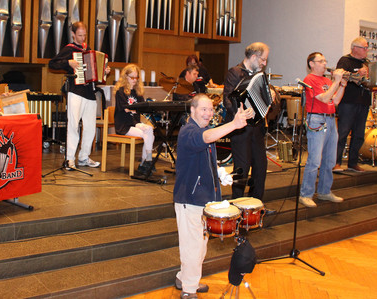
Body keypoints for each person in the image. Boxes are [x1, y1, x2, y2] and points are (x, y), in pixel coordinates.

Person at [173, 93, 253, 299]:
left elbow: (207, 153)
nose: (208, 113)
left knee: (200, 245)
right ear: (192, 110)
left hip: (205, 198)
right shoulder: (189, 131)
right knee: (193, 246)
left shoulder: (204, 129)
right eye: (203, 109)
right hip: (189, 199)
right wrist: (234, 124)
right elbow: (206, 139)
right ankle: (188, 290)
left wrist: (219, 172)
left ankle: (184, 277)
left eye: (211, 110)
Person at [48, 21, 110, 169]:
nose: (82, 38)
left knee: (90, 127)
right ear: (73, 34)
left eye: (84, 35)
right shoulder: (69, 49)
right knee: (73, 125)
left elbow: (96, 72)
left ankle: (83, 157)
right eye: (80, 35)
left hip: (90, 92)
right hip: (75, 91)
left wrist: (104, 71)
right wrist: (68, 63)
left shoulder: (88, 50)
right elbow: (52, 64)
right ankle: (69, 159)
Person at [222, 42, 274, 200]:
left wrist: (271, 93)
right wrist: (242, 112)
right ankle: (236, 202)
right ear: (253, 57)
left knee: (260, 167)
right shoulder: (235, 73)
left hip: (256, 129)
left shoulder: (258, 76)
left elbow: (266, 99)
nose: (264, 63)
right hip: (240, 129)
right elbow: (228, 101)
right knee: (241, 169)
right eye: (263, 60)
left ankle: (255, 205)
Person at [299, 52, 346, 208]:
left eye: (325, 61)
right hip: (317, 119)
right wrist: (336, 82)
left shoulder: (327, 80)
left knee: (330, 159)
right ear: (312, 64)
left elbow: (336, 100)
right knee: (314, 160)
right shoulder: (309, 80)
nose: (325, 63)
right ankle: (306, 194)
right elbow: (324, 98)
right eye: (321, 61)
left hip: (331, 119)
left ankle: (325, 191)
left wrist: (341, 85)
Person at [334, 37, 371, 172]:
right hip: (348, 101)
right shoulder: (345, 61)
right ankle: (336, 162)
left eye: (367, 48)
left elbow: (373, 81)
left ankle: (353, 162)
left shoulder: (368, 63)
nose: (366, 50)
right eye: (364, 47)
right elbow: (339, 76)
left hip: (364, 102)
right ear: (355, 48)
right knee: (343, 133)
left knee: (359, 134)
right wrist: (357, 73)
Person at [114, 64, 155, 177]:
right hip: (124, 126)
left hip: (135, 123)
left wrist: (133, 109)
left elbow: (141, 107)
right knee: (147, 135)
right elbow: (125, 108)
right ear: (125, 77)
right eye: (132, 77)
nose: (134, 80)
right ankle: (147, 162)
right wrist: (133, 109)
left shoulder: (137, 92)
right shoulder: (120, 92)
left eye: (136, 78)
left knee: (150, 130)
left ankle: (145, 162)